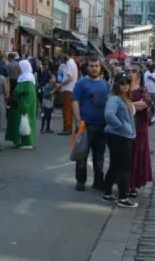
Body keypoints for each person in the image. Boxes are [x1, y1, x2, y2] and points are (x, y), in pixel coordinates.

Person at [71, 56, 109, 191]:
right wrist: (77, 120)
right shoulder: (81, 83)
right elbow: (75, 101)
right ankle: (81, 180)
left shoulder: (105, 84)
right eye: (91, 66)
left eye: (96, 66)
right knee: (82, 154)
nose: (94, 68)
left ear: (100, 67)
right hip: (85, 125)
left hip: (102, 125)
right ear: (87, 67)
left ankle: (98, 181)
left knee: (99, 156)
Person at [102, 73, 137, 208]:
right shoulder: (115, 98)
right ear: (116, 84)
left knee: (115, 165)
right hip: (119, 136)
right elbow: (109, 114)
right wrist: (121, 126)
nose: (125, 85)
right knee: (124, 167)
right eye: (122, 83)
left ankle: (107, 193)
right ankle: (123, 197)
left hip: (121, 135)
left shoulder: (124, 98)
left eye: (127, 82)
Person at [128, 68, 152, 196]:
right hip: (125, 125)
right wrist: (132, 105)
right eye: (129, 71)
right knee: (126, 155)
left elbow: (144, 103)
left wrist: (129, 105)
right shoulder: (124, 87)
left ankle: (133, 185)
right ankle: (124, 183)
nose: (130, 73)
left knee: (137, 154)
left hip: (139, 126)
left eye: (133, 71)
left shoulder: (143, 89)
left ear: (138, 75)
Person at [5, 60, 37, 149]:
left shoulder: (28, 79)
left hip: (24, 105)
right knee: (20, 124)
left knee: (25, 124)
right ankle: (21, 141)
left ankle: (27, 142)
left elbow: (29, 94)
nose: (17, 69)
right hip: (19, 104)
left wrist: (25, 106)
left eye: (19, 67)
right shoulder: (23, 77)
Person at [58, 51, 79, 135]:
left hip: (68, 88)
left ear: (66, 54)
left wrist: (61, 84)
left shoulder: (70, 63)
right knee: (69, 109)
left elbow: (70, 78)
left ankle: (67, 128)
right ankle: (69, 126)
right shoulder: (72, 63)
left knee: (66, 109)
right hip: (71, 88)